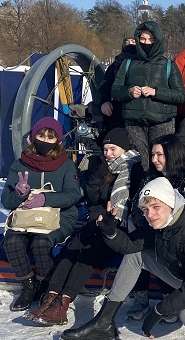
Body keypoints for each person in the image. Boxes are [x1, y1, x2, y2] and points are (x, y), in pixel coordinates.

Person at [60, 177, 185, 340]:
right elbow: (131, 245)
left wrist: (159, 310)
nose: (150, 214)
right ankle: (104, 323)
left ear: (170, 203)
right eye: (145, 210)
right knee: (136, 255)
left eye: (155, 207)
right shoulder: (162, 223)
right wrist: (110, 233)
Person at [25, 128, 144, 325]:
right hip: (99, 218)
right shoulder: (105, 167)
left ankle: (62, 304)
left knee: (87, 255)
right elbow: (92, 196)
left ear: (124, 148)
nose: (108, 154)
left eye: (113, 149)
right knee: (72, 247)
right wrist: (98, 176)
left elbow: (133, 204)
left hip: (119, 226)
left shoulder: (134, 169)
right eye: (105, 149)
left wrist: (109, 216)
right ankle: (50, 297)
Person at [124, 133, 185, 322]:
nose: (154, 160)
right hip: (151, 227)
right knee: (138, 240)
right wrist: (148, 221)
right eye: (153, 155)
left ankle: (168, 296)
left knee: (164, 243)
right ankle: (140, 296)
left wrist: (166, 224)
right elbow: (138, 204)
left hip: (180, 232)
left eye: (159, 155)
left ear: (172, 154)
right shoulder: (150, 177)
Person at [0, 117, 80, 311]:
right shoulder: (20, 165)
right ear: (33, 137)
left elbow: (73, 195)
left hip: (60, 216)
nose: (45, 140)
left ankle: (45, 284)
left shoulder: (66, 165)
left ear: (58, 141)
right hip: (26, 217)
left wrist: (45, 199)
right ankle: (28, 285)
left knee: (41, 242)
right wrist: (19, 194)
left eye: (50, 137)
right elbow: (6, 201)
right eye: (41, 135)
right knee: (12, 242)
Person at [111, 20, 185, 172]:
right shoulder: (128, 63)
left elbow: (180, 95)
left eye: (151, 39)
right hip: (134, 124)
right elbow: (115, 91)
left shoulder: (168, 65)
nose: (147, 42)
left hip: (162, 123)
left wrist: (156, 92)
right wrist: (129, 91)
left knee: (162, 163)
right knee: (138, 165)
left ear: (157, 40)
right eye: (143, 39)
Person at [97, 28, 137, 131]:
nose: (129, 44)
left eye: (133, 41)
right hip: (118, 109)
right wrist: (104, 102)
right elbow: (105, 86)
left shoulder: (146, 63)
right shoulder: (116, 65)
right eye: (127, 42)